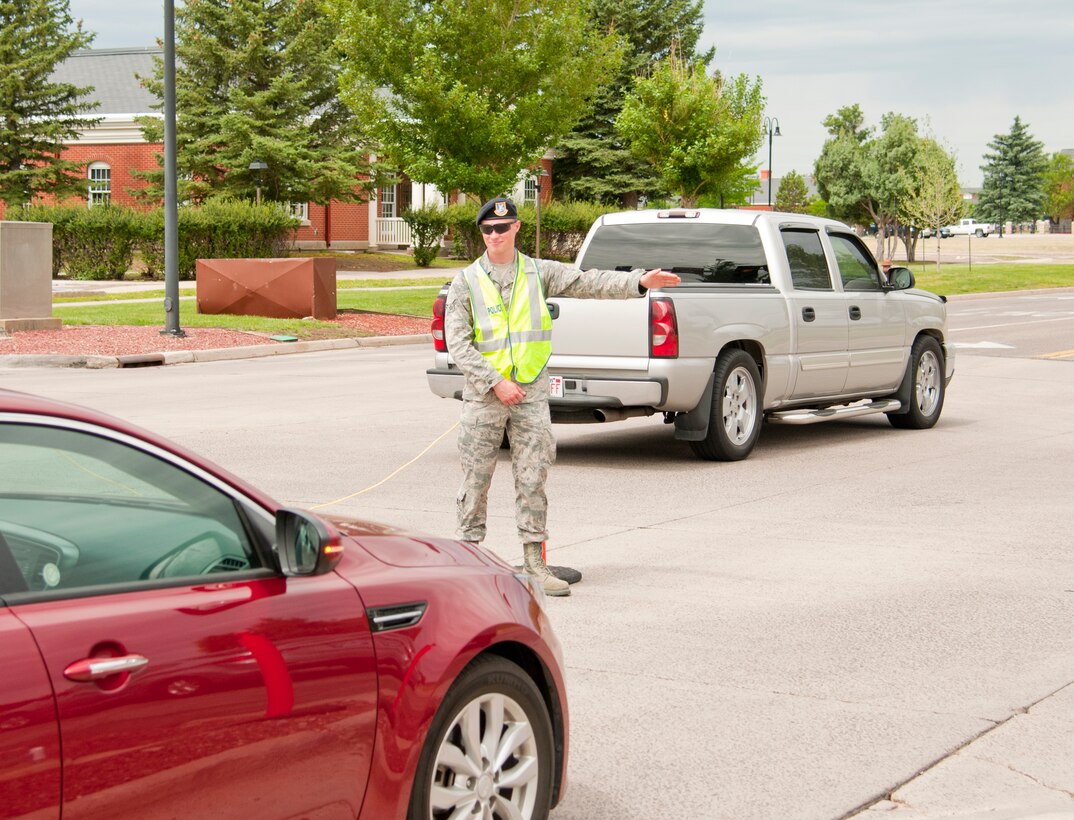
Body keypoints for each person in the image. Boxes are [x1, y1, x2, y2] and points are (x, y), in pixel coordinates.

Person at [444, 196, 681, 596]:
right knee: (476, 478)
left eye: (502, 228)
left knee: (533, 475)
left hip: (531, 393)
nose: (494, 235)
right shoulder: (466, 281)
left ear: (516, 228)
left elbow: (588, 281)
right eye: (487, 229)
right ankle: (469, 562)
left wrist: (638, 282)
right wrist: (495, 381)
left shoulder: (540, 272)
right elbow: (458, 343)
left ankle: (535, 561)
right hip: (486, 395)